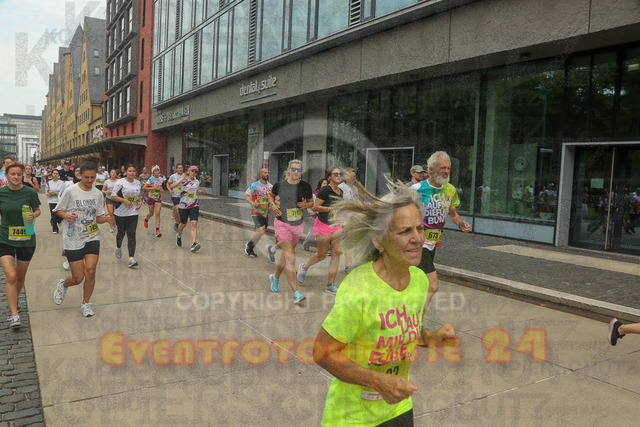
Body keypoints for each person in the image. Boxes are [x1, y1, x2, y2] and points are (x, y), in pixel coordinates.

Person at [313, 179, 455, 426]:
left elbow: (405, 328)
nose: (417, 238)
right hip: (353, 418)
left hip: (398, 408)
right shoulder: (359, 289)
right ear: (378, 241)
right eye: (404, 232)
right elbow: (322, 352)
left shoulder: (419, 280)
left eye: (419, 229)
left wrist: (433, 337)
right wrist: (379, 381)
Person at [412, 151, 471, 307]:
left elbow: (453, 214)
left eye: (448, 168)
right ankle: (417, 317)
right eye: (442, 168)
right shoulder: (417, 189)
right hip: (419, 243)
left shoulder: (450, 190)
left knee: (419, 283)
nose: (446, 171)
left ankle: (407, 312)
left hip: (433, 242)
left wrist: (461, 223)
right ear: (431, 169)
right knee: (432, 285)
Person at [53, 160, 110, 317]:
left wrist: (106, 219)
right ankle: (63, 284)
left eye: (93, 177)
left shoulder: (98, 194)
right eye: (87, 177)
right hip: (73, 238)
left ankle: (86, 303)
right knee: (78, 278)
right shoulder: (71, 191)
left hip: (92, 236)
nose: (90, 180)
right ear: (80, 175)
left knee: (90, 271)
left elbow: (98, 218)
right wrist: (67, 216)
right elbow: (58, 210)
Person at [0, 162, 41, 328]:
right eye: (12, 174)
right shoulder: (1, 193)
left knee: (20, 276)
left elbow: (37, 210)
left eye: (19, 174)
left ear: (22, 175)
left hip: (26, 239)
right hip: (5, 238)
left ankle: (14, 299)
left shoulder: (30, 192)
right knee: (11, 276)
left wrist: (33, 215)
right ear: (6, 175)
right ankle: (14, 315)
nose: (16, 177)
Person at [267, 159, 313, 304]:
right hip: (282, 223)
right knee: (290, 258)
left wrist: (305, 205)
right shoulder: (280, 185)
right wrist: (272, 205)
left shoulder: (305, 186)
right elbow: (271, 195)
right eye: (293, 169)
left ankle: (275, 277)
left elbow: (311, 203)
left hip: (297, 225)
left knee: (285, 256)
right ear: (289, 170)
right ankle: (296, 293)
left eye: (299, 170)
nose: (296, 172)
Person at [296, 167, 343, 295]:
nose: (339, 176)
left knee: (336, 254)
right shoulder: (325, 190)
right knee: (321, 255)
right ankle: (304, 267)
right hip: (323, 225)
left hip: (336, 225)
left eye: (340, 174)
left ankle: (330, 285)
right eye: (336, 174)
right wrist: (330, 209)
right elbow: (315, 207)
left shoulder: (341, 192)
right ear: (330, 177)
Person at [110, 165, 143, 267]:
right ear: (126, 172)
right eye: (130, 171)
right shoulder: (120, 182)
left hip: (133, 212)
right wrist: (124, 200)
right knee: (121, 233)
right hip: (120, 212)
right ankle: (118, 247)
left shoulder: (137, 182)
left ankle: (131, 258)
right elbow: (113, 196)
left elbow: (138, 195)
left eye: (134, 171)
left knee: (131, 234)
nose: (132, 173)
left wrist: (140, 201)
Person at [171, 165, 207, 252]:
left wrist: (202, 191)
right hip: (183, 206)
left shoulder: (197, 182)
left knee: (194, 223)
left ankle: (193, 243)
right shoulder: (184, 180)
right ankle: (179, 235)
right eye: (192, 171)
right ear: (189, 171)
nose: (194, 173)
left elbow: (196, 191)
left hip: (194, 205)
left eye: (196, 171)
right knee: (183, 224)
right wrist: (180, 181)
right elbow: (172, 186)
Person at [244, 168, 272, 257]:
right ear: (260, 175)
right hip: (256, 212)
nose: (267, 174)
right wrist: (253, 203)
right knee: (261, 230)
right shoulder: (255, 185)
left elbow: (274, 198)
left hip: (265, 213)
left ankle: (250, 248)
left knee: (260, 232)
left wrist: (271, 206)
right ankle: (249, 245)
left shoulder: (271, 187)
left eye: (268, 172)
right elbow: (246, 195)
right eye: (265, 172)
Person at [338, 167, 359, 273]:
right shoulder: (341, 187)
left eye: (355, 177)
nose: (353, 179)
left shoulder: (355, 188)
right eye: (351, 176)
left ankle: (348, 266)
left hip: (353, 219)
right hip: (342, 220)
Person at [302, 178, 329, 251]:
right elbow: (311, 206)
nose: (325, 185)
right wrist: (318, 210)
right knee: (312, 235)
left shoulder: (329, 195)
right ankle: (306, 244)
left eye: (327, 184)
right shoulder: (315, 195)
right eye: (324, 184)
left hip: (325, 218)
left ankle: (327, 249)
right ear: (320, 185)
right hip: (315, 217)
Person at [143, 165, 166, 237]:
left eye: (158, 170)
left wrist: (161, 189)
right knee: (151, 213)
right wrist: (152, 188)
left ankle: (157, 230)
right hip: (151, 198)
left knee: (158, 213)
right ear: (153, 172)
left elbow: (160, 187)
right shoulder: (151, 179)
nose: (157, 171)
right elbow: (144, 188)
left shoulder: (161, 179)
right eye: (155, 170)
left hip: (158, 198)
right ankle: (146, 219)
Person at [167, 163, 185, 233]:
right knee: (177, 209)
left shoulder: (185, 176)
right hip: (175, 195)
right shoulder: (173, 176)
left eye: (181, 168)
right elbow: (168, 184)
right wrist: (170, 190)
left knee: (181, 211)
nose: (180, 169)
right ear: (176, 169)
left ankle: (179, 222)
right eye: (179, 168)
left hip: (184, 196)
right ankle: (177, 223)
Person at [45, 169, 64, 233]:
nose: (55, 175)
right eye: (54, 173)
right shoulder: (49, 182)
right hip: (51, 200)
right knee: (53, 214)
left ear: (58, 175)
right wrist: (47, 193)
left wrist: (60, 193)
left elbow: (64, 190)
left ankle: (59, 220)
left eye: (56, 174)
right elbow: (46, 189)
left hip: (59, 200)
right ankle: (55, 228)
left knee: (60, 214)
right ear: (52, 174)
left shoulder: (61, 182)